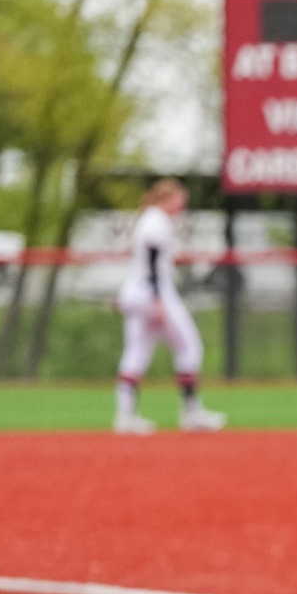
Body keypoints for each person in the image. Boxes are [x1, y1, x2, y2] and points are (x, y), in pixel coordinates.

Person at [113, 179, 223, 436]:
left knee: (135, 354)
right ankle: (191, 413)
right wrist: (157, 299)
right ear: (166, 198)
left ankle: (125, 416)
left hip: (136, 292)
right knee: (189, 347)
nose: (182, 205)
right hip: (154, 293)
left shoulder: (148, 218)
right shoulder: (157, 220)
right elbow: (152, 260)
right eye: (179, 200)